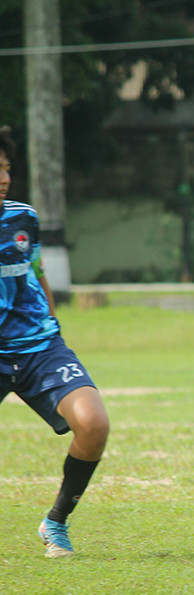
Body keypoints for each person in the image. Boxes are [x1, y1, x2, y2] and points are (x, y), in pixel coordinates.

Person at [0, 126, 110, 558]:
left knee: (94, 424)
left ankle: (56, 522)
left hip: (41, 347)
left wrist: (51, 324)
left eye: (5, 168)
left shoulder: (23, 217)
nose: (3, 177)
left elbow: (37, 270)